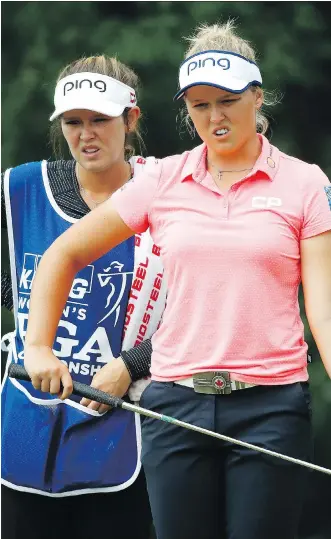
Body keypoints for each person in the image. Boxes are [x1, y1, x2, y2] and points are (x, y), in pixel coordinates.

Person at [21, 21, 331, 539]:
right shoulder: (161, 180)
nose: (215, 116)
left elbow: (323, 310)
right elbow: (62, 254)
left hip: (271, 407)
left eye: (228, 100)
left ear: (257, 97)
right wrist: (38, 347)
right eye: (199, 104)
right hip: (175, 408)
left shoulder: (306, 184)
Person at [1, 55, 167, 539]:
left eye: (100, 120)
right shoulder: (20, 190)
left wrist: (133, 363)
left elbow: (199, 311)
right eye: (73, 122)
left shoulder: (168, 194)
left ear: (131, 120)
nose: (86, 134)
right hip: (25, 429)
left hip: (125, 429)